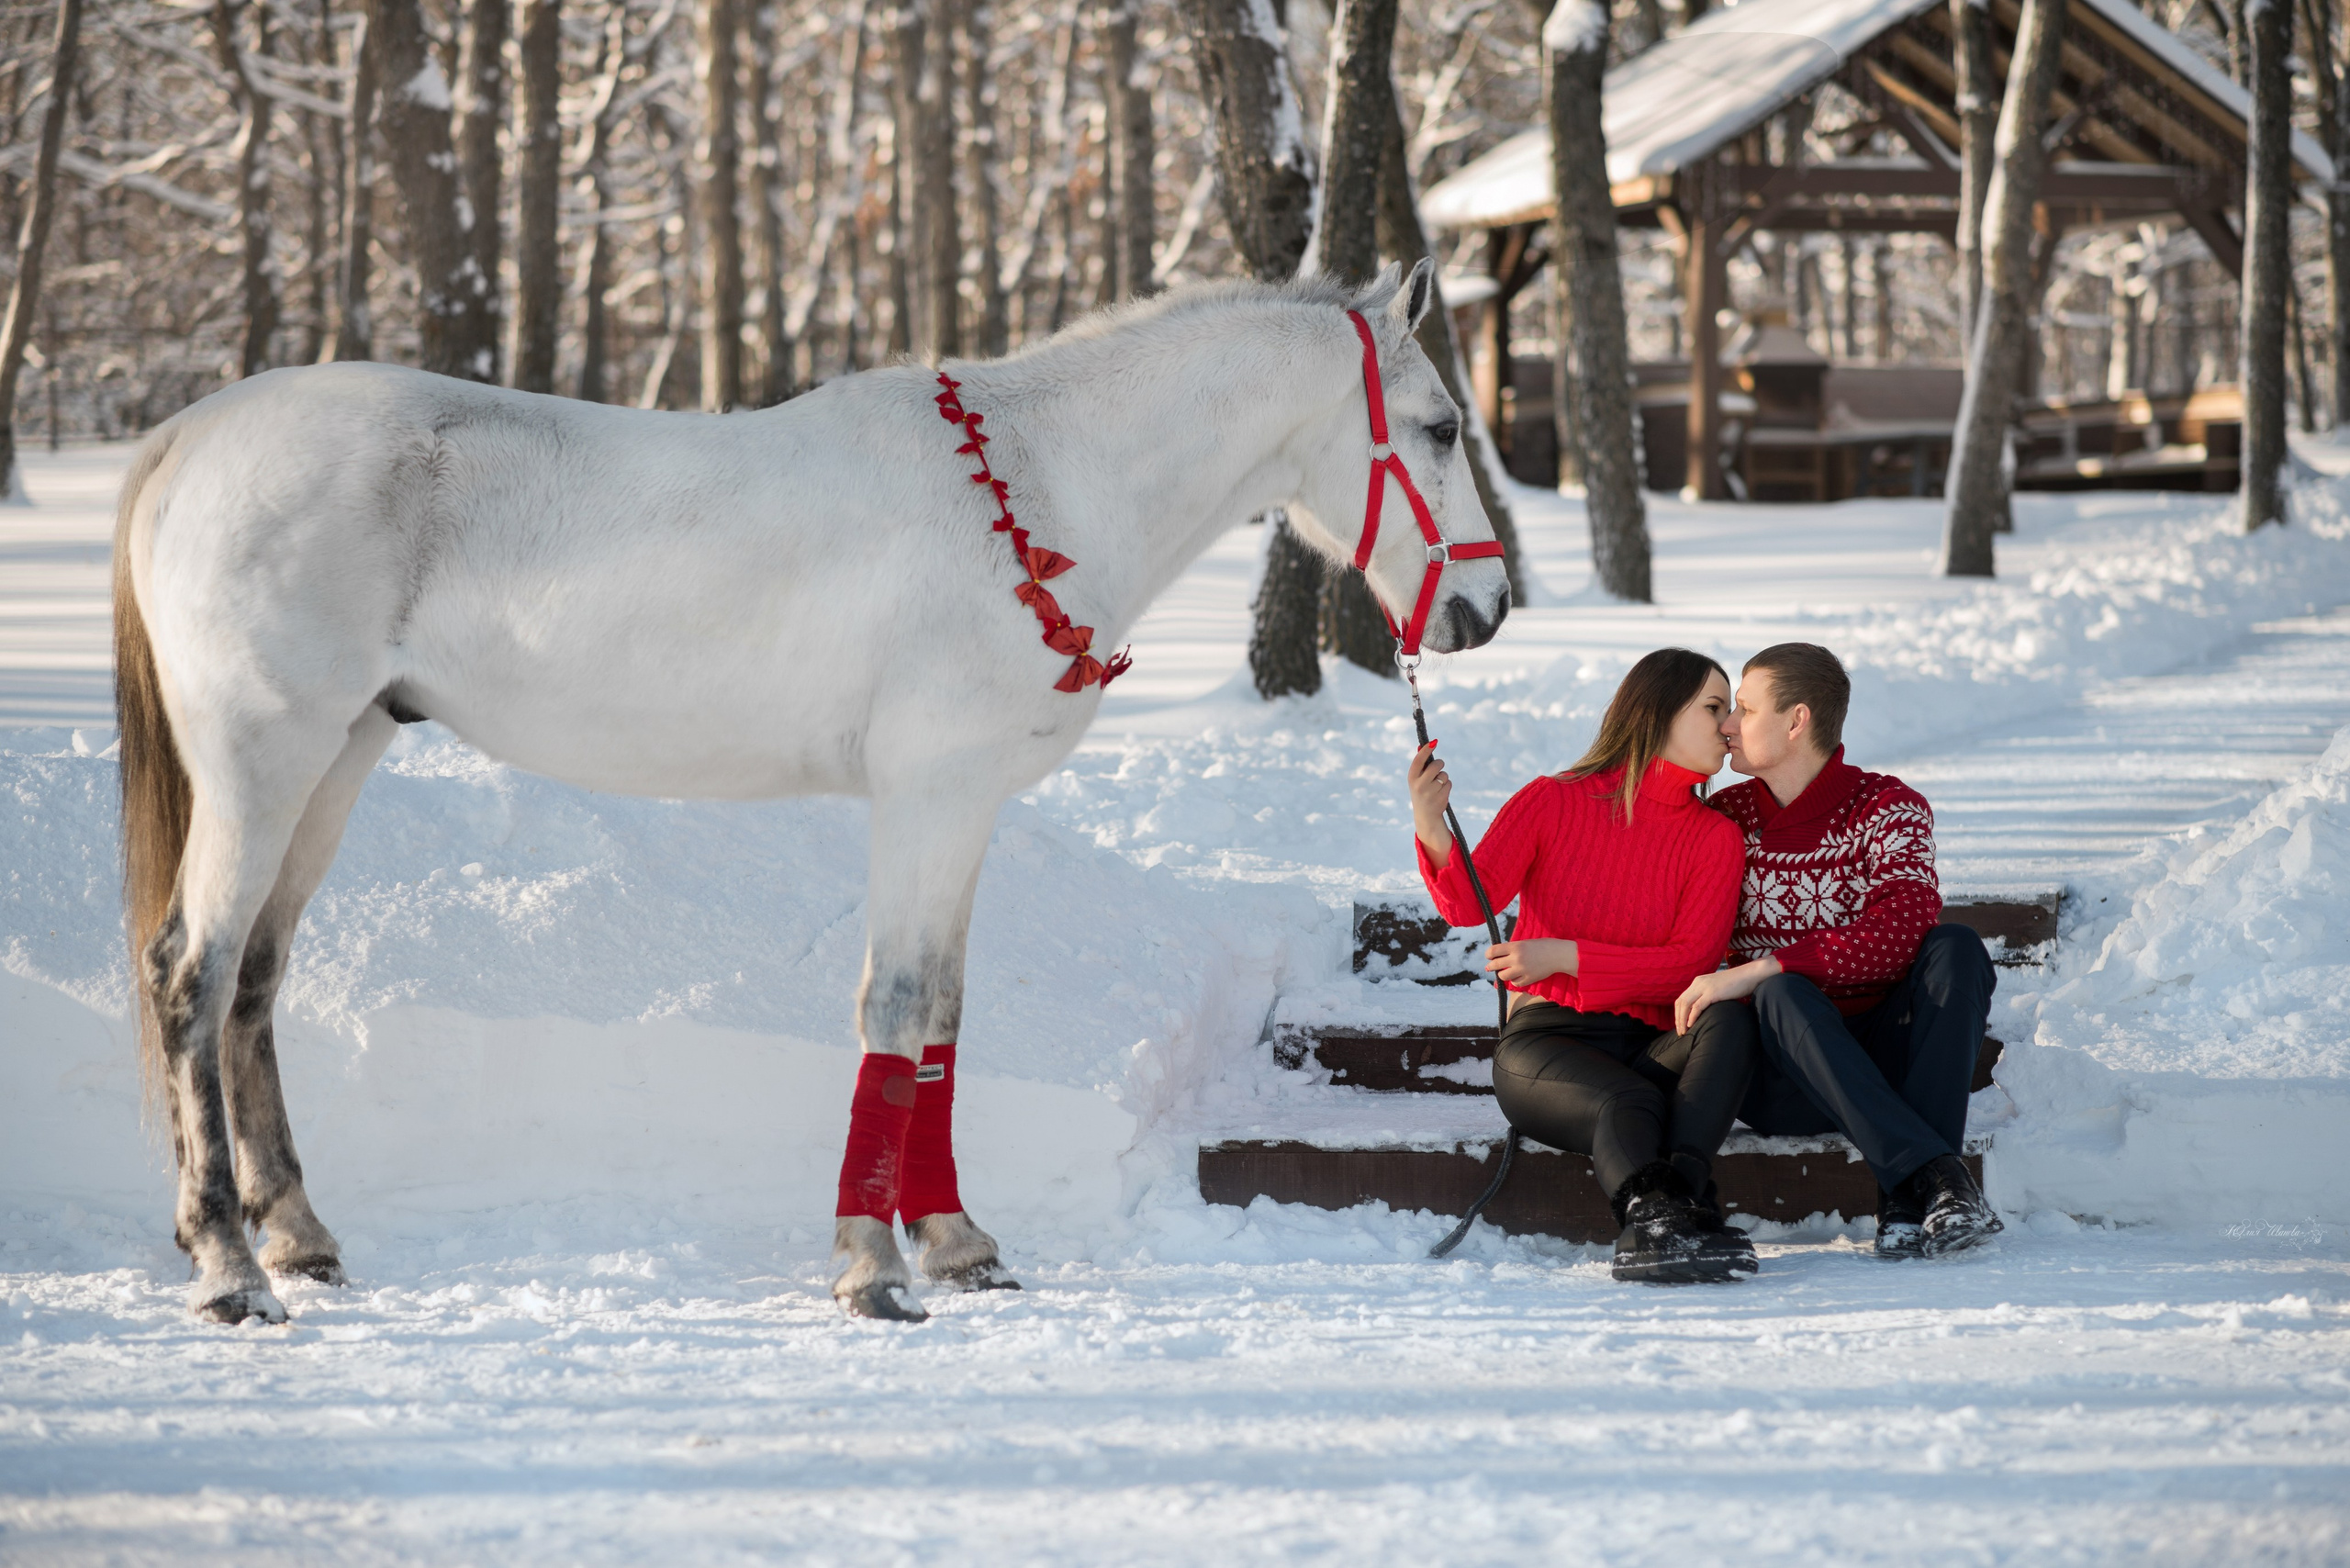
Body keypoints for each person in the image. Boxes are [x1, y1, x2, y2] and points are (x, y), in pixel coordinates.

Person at [1409, 648, 1753, 1283]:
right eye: (1714, 707)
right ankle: (1659, 1220)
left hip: (1651, 1045)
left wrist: (1564, 954)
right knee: (1624, 1099)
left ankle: (1672, 1206)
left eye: (1729, 710)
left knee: (1728, 1019)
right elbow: (1467, 903)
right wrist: (1432, 825)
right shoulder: (1552, 800)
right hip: (1548, 1043)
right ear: (1658, 711)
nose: (1729, 725)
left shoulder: (1714, 837)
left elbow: (1690, 965)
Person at [1673, 643, 2002, 1258]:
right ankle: (1938, 1180)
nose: (1727, 725)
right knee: (1781, 992)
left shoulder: (1888, 808)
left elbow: (1902, 929)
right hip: (1782, 1076)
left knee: (1955, 946)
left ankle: (1906, 1205)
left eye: (1745, 709)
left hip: (1885, 1057)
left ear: (1796, 720)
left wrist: (1762, 965)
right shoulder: (1724, 819)